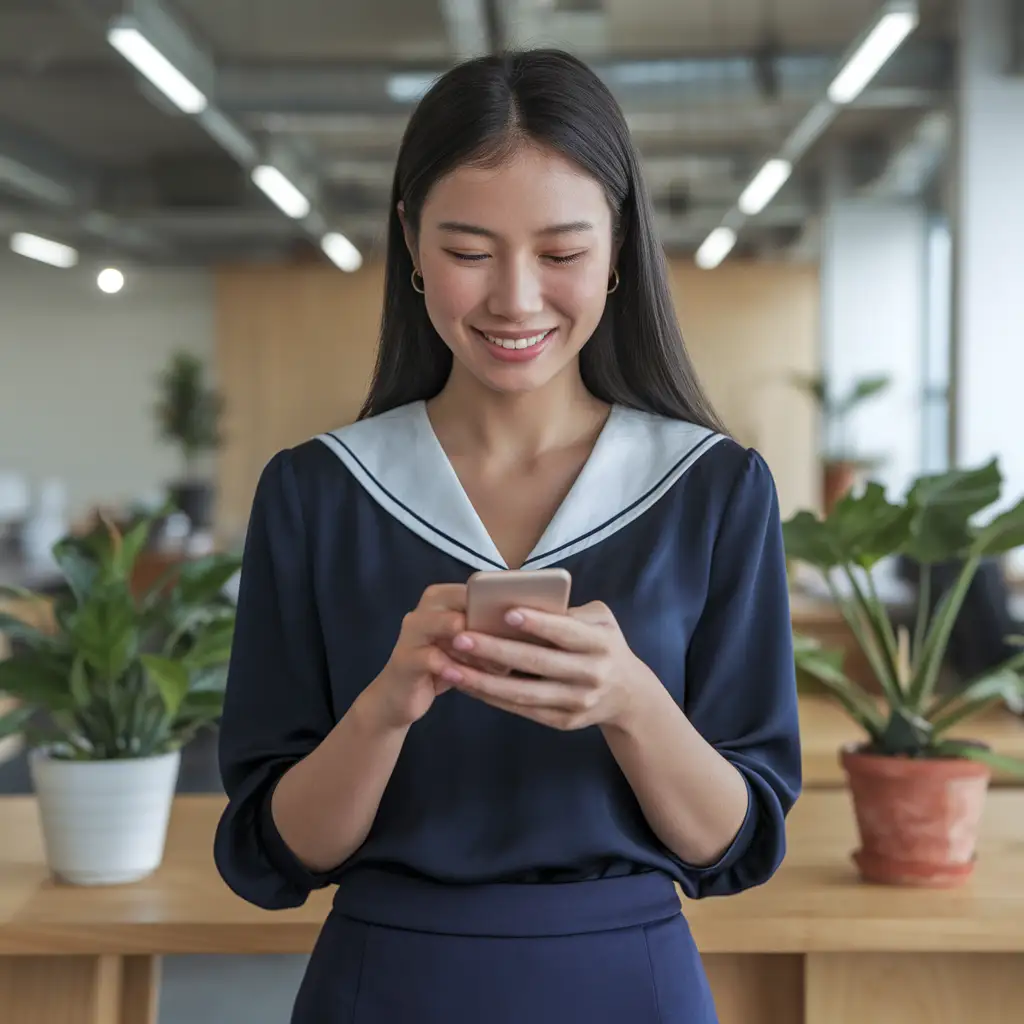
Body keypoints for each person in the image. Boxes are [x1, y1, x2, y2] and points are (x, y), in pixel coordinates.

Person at [214, 48, 802, 1024]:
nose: (515, 298)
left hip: (631, 986)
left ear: (618, 247)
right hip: (384, 984)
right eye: (469, 251)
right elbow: (278, 853)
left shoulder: (714, 489)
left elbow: (730, 845)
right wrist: (384, 710)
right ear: (409, 239)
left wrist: (630, 702)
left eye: (562, 253)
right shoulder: (316, 492)